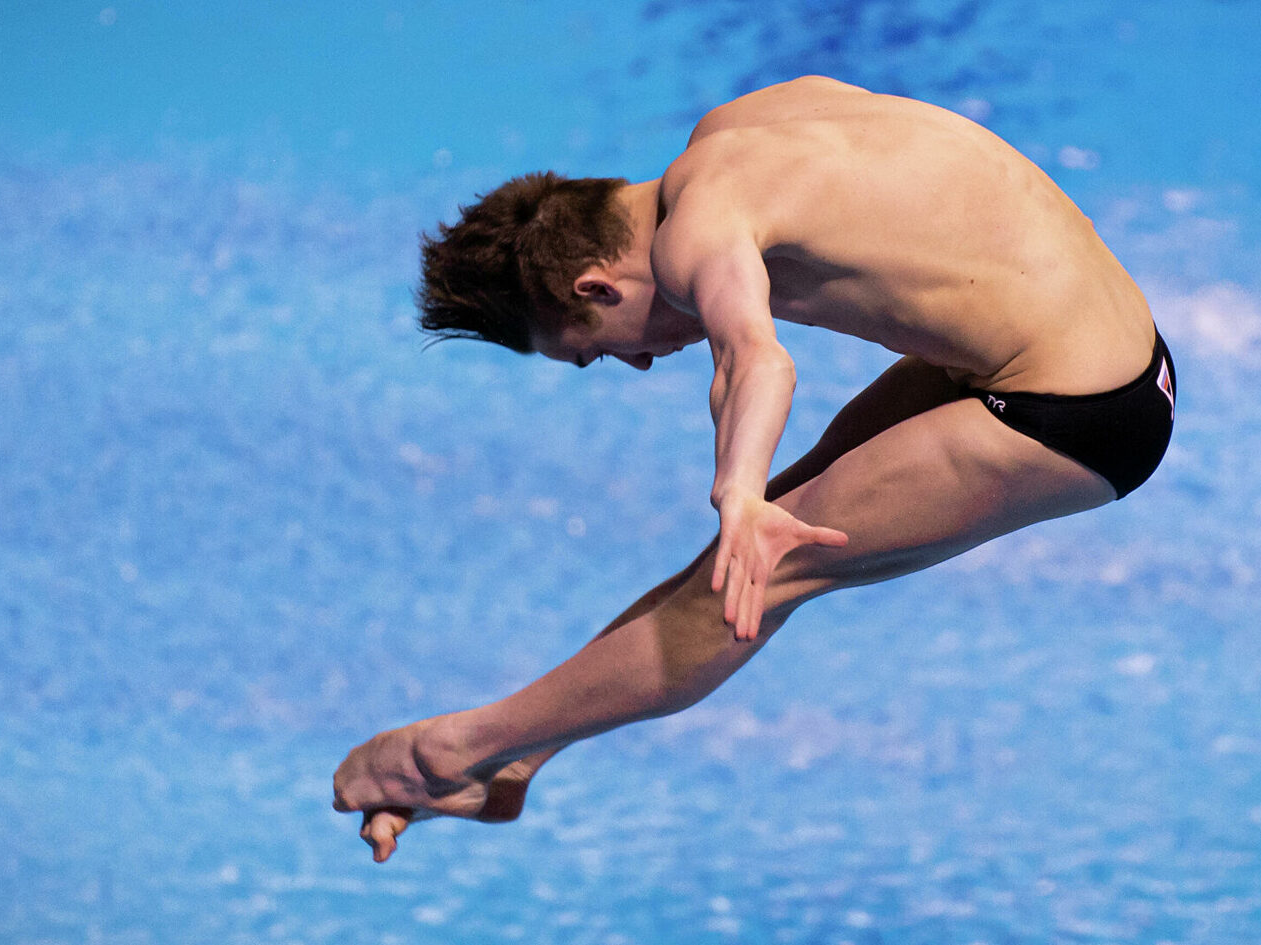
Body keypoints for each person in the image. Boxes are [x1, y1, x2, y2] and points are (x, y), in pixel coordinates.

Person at [332, 75, 1176, 862]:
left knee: (759, 564)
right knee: (754, 541)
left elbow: (756, 361)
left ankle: (449, 754)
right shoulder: (734, 129)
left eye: (593, 354)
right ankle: (515, 759)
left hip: (1079, 410)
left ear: (593, 287)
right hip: (1107, 348)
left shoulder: (691, 236)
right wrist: (752, 504)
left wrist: (736, 493)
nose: (637, 365)